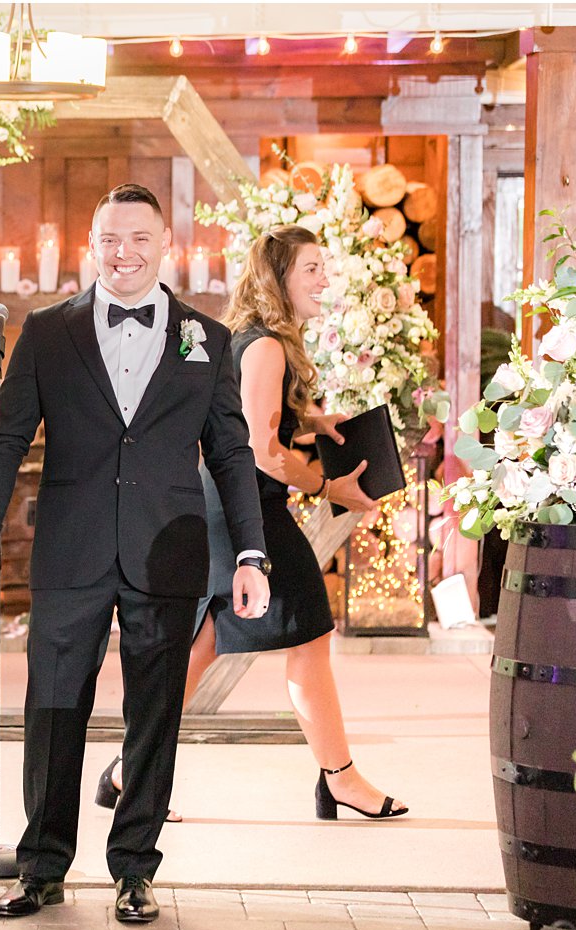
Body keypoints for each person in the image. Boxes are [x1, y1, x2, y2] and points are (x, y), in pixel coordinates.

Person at [0, 184, 270, 925]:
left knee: (153, 714)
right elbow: (6, 441)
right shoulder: (46, 331)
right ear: (91, 245)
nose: (123, 253)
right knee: (54, 708)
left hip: (167, 552)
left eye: (138, 239)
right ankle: (42, 867)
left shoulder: (208, 338)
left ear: (167, 246)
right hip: (71, 548)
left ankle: (134, 870)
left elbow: (231, 453)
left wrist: (251, 553)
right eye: (108, 240)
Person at [178, 225, 407, 821]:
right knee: (307, 630)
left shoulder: (255, 340)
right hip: (246, 506)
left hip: (234, 504)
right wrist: (328, 485)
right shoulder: (267, 346)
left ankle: (130, 770)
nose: (324, 279)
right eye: (312, 268)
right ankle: (341, 779)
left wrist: (310, 420)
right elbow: (260, 449)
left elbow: (258, 421)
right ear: (279, 278)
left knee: (207, 642)